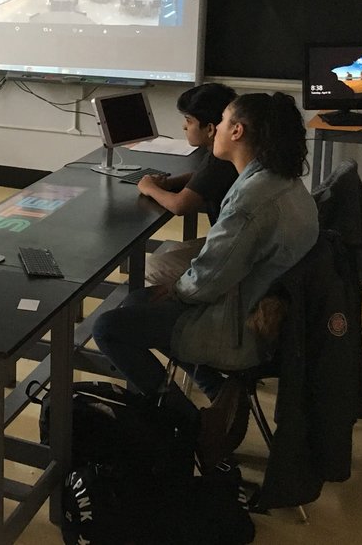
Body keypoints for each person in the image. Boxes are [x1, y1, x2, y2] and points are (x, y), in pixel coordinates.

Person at [92, 93, 318, 428]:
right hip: (265, 309)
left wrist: (178, 292)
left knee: (108, 327)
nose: (217, 130)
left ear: (237, 132)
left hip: (241, 324)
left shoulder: (250, 198)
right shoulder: (278, 178)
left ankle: (191, 426)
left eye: (224, 122)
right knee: (137, 303)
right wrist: (179, 291)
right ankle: (219, 390)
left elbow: (209, 277)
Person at [137, 82, 239, 286]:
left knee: (152, 267)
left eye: (188, 120)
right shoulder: (232, 151)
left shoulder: (219, 159)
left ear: (210, 128)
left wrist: (150, 187)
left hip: (232, 253)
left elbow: (181, 206)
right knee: (172, 249)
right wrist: (171, 182)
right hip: (234, 242)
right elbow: (204, 177)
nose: (184, 126)